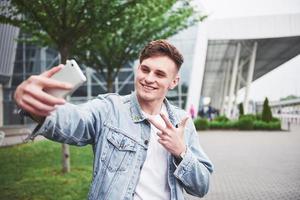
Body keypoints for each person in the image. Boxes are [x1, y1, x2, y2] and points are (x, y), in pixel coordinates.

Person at [14, 40, 213, 200]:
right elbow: (75, 120)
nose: (149, 78)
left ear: (174, 82)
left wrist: (181, 152)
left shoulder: (182, 123)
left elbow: (201, 187)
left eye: (160, 74)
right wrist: (33, 106)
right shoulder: (109, 108)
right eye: (145, 69)